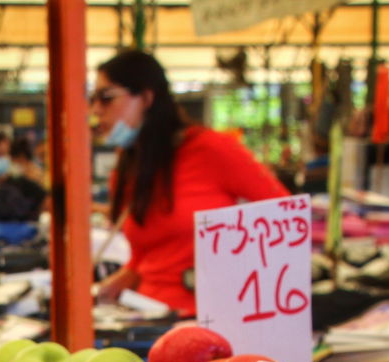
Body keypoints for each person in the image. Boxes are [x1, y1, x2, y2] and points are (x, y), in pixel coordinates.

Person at [93, 49, 289, 314]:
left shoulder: (211, 149)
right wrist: (119, 281)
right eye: (93, 99)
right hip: (146, 318)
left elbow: (286, 217)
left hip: (212, 321)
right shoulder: (128, 169)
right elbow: (149, 255)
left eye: (106, 98)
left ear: (147, 97)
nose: (96, 110)